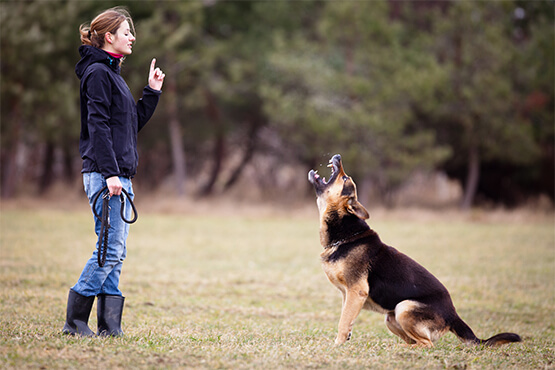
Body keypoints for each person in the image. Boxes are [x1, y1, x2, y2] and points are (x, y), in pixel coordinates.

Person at [62, 7, 165, 337]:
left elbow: (128, 125)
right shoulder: (97, 74)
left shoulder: (112, 75)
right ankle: (74, 321)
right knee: (109, 250)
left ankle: (109, 325)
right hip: (107, 176)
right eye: (126, 32)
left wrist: (151, 92)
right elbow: (99, 127)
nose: (132, 37)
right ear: (110, 37)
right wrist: (110, 175)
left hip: (118, 176)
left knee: (115, 254)